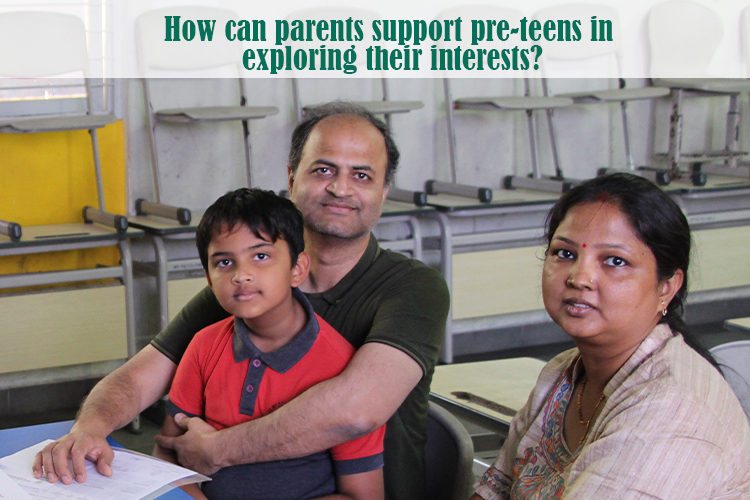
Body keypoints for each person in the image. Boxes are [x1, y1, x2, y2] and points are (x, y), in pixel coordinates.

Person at [34, 102, 450, 500]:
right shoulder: (249, 287)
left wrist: (217, 451)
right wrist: (89, 428)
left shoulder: (413, 287)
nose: (341, 188)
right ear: (292, 178)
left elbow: (356, 410)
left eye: (362, 175)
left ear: (384, 190)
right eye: (323, 169)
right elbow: (142, 375)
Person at [471, 172, 750, 500]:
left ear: (667, 287)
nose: (580, 277)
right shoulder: (566, 371)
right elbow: (495, 491)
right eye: (565, 253)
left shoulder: (671, 410)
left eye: (615, 261)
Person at [155, 188, 384, 500]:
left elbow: (363, 496)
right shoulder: (204, 346)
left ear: (298, 269)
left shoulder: (343, 367)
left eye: (261, 256)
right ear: (209, 280)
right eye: (224, 262)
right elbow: (167, 455)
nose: (241, 275)